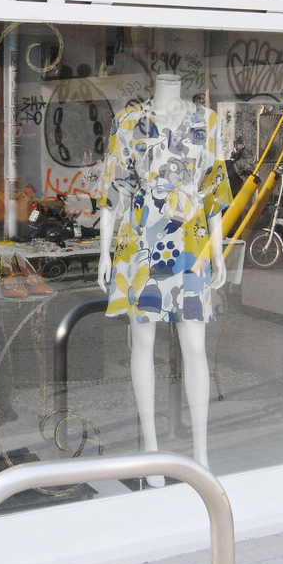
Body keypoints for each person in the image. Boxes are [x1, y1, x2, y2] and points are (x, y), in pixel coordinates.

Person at [97, 74, 233, 487]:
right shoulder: (127, 122)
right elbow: (114, 191)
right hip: (141, 238)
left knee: (195, 346)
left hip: (191, 241)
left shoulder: (207, 121)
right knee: (143, 343)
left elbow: (214, 191)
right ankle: (152, 451)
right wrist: (104, 251)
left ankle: (201, 452)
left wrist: (217, 249)